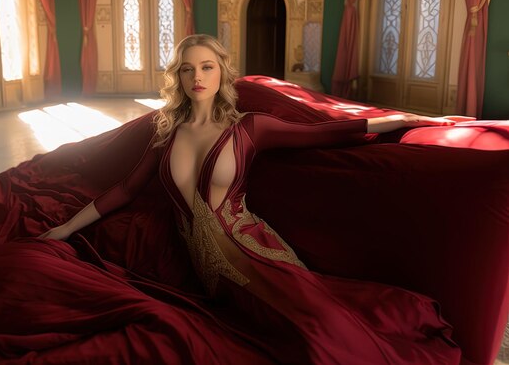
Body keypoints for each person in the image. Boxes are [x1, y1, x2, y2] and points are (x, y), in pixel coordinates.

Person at [38, 33, 460, 365]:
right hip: (211, 275)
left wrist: (403, 120)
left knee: (319, 329)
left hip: (260, 249)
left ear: (222, 72)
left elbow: (326, 131)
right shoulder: (167, 132)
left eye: (206, 66)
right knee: (292, 335)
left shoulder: (250, 128)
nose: (197, 77)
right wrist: (65, 228)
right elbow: (126, 190)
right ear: (179, 78)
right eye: (187, 69)